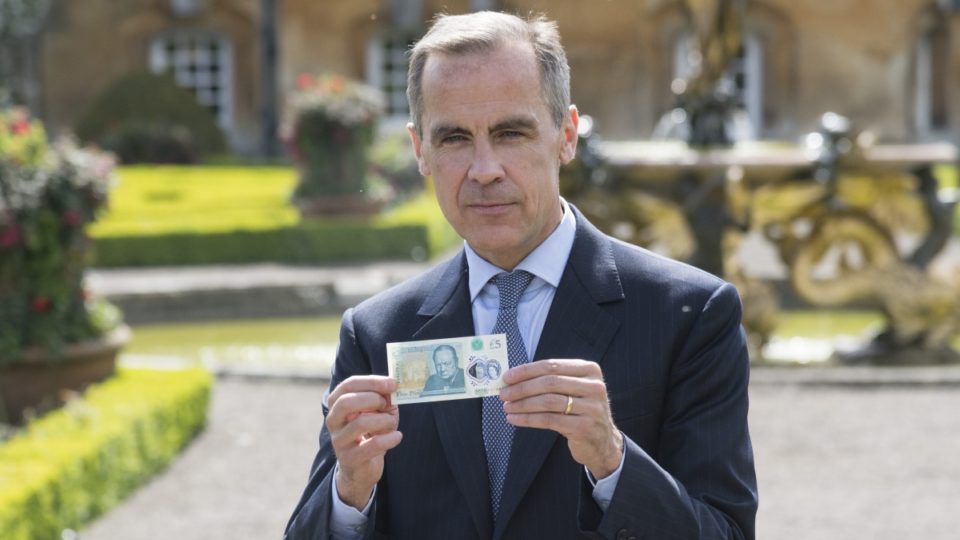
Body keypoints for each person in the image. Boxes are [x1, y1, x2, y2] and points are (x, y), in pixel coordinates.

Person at [285, 11, 757, 540]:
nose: (484, 169)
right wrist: (349, 493)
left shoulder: (690, 313)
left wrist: (612, 459)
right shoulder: (376, 331)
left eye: (511, 133)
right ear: (421, 151)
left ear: (567, 135)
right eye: (455, 139)